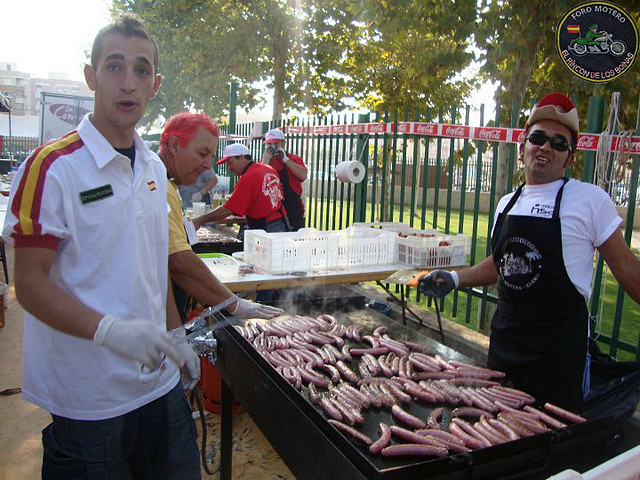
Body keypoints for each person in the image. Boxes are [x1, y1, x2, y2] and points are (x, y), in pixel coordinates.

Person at [3, 14, 201, 479]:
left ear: (155, 84)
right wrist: (110, 330)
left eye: (140, 69)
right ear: (91, 75)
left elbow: (155, 270)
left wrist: (176, 336)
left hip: (159, 386)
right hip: (88, 402)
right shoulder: (52, 167)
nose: (127, 83)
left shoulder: (153, 168)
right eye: (114, 67)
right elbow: (29, 285)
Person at [418, 92, 640, 412]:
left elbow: (627, 268)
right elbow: (503, 264)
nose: (546, 147)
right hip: (506, 347)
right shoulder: (507, 203)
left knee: (552, 445)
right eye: (538, 137)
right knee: (495, 432)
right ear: (524, 146)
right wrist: (454, 278)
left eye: (559, 142)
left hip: (558, 357)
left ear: (570, 157)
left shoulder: (589, 201)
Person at [158, 112, 283, 320]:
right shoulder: (160, 185)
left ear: (243, 158)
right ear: (174, 145)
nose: (209, 165)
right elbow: (177, 261)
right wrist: (234, 304)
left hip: (266, 229)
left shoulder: (162, 182)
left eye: (212, 157)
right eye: (202, 154)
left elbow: (230, 209)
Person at [193, 143, 290, 237]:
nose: (229, 168)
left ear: (242, 157)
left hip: (266, 228)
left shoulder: (248, 177)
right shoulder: (268, 169)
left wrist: (200, 220)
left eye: (230, 163)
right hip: (281, 223)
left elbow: (227, 210)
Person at [260, 128, 307, 230]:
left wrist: (285, 159)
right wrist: (265, 162)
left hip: (293, 210)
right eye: (269, 144)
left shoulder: (294, 159)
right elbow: (258, 182)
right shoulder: (265, 162)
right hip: (274, 212)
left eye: (275, 144)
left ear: (283, 143)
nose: (272, 147)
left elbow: (303, 175)